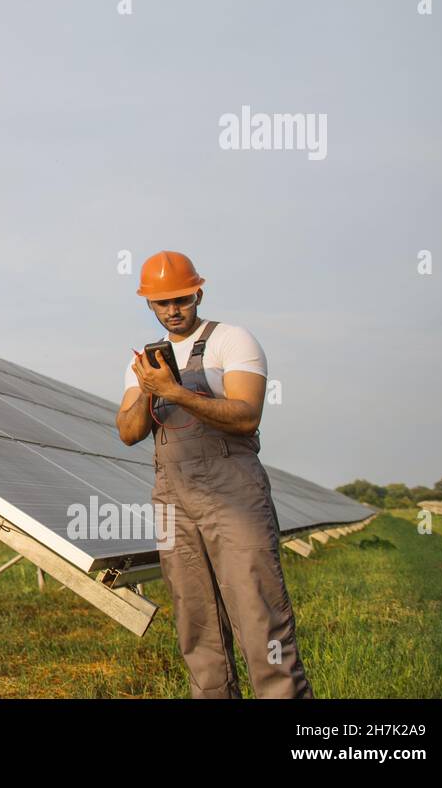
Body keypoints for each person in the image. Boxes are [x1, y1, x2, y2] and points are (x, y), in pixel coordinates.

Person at [115, 250, 313, 698]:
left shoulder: (232, 340)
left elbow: (246, 416)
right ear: (148, 304)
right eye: (162, 302)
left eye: (181, 298)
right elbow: (128, 432)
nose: (173, 309)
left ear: (198, 292)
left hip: (231, 491)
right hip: (171, 496)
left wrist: (175, 391)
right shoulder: (143, 364)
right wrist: (150, 390)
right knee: (195, 625)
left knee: (261, 620)